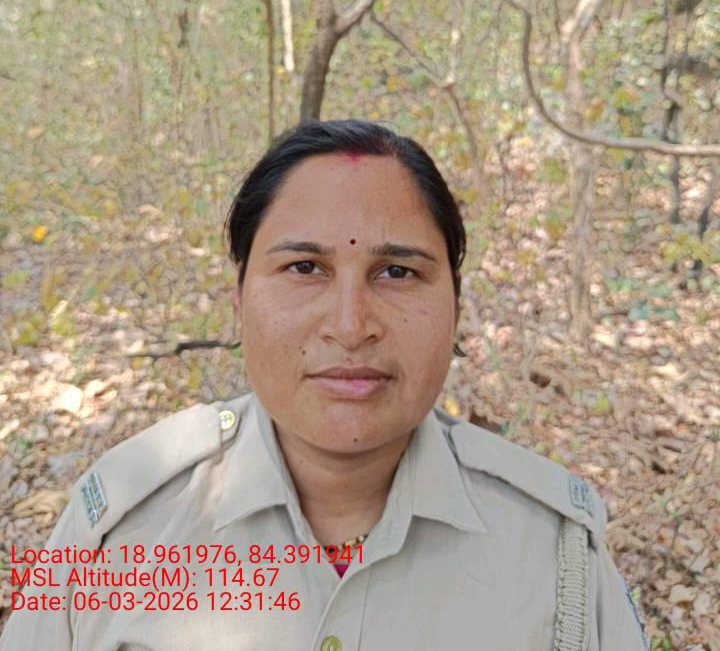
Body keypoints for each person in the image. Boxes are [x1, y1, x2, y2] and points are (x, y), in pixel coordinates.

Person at [1, 118, 651, 650]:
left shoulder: (555, 552)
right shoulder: (120, 528)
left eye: (397, 272)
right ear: (239, 300)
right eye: (305, 267)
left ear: (455, 305)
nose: (350, 325)